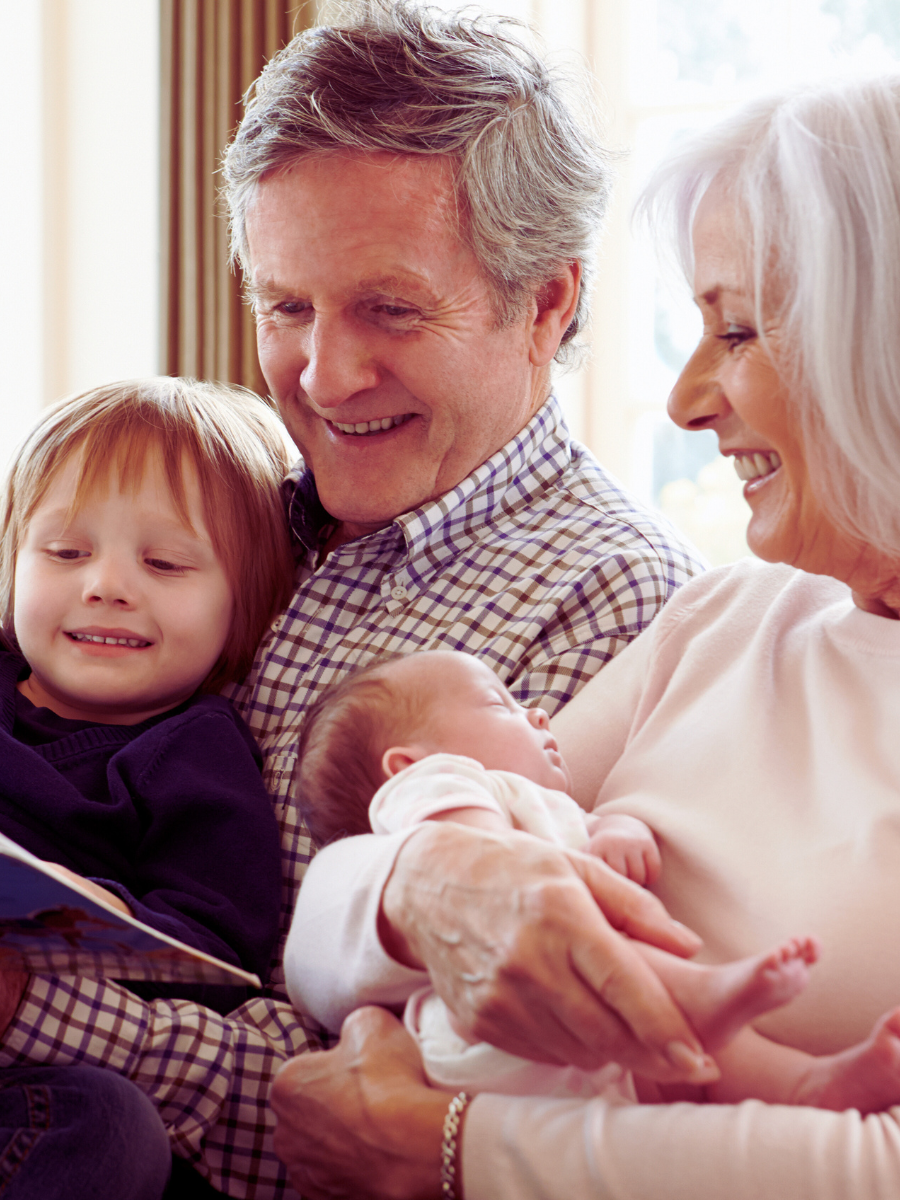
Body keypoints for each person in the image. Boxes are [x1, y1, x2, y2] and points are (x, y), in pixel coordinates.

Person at [0, 5, 707, 1195]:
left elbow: (394, 1110)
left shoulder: (615, 609)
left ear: (546, 304)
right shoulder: (221, 513)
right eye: (285, 307)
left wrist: (30, 1012)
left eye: (390, 308)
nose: (323, 377)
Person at [276, 73, 900, 1200]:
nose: (685, 399)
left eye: (739, 329)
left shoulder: (628, 586)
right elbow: (323, 914)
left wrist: (453, 1148)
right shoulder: (719, 620)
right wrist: (423, 883)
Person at [288, 647, 900, 1115]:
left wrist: (619, 828)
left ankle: (807, 1086)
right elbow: (482, 871)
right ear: (407, 765)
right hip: (484, 1029)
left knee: (694, 1067)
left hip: (564, 1077)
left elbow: (596, 821)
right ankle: (704, 991)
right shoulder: (438, 788)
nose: (538, 712)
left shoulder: (543, 805)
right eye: (501, 704)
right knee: (615, 958)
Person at [0, 376, 292, 1197]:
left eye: (163, 563)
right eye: (64, 553)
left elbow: (216, 950)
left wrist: (101, 911)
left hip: (29, 1066)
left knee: (109, 1127)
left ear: (246, 604)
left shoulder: (196, 753)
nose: (106, 585)